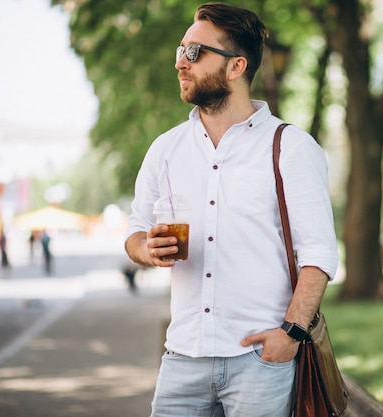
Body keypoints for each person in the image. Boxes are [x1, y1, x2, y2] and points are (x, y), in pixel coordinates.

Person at [124, 4, 338, 417]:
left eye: (194, 53)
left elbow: (319, 255)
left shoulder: (291, 148)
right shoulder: (165, 150)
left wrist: (290, 334)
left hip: (259, 360)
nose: (179, 63)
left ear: (236, 65)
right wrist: (146, 250)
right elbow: (136, 230)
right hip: (182, 357)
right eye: (180, 50)